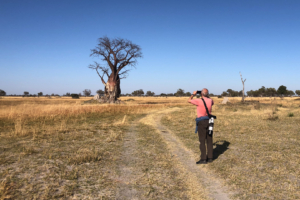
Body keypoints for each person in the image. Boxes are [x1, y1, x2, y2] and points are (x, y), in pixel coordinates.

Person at [188, 88, 214, 164]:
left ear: (201, 94)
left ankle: (203, 159)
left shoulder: (199, 101)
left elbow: (189, 100)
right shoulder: (210, 100)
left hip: (202, 121)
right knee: (209, 139)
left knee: (202, 140)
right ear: (207, 94)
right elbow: (211, 102)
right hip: (210, 121)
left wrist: (193, 94)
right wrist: (206, 95)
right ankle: (210, 157)